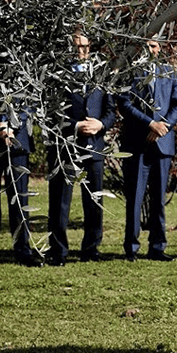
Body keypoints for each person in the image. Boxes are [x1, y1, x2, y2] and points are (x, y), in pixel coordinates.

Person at [45, 32, 117, 265]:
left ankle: (91, 249)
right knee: (60, 202)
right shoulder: (57, 75)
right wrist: (75, 126)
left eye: (84, 47)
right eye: (76, 47)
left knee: (94, 200)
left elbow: (111, 111)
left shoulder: (102, 74)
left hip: (94, 146)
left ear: (90, 47)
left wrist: (100, 124)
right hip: (66, 145)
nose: (81, 51)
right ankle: (58, 251)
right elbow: (49, 112)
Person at [116, 39, 177, 261]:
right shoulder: (130, 72)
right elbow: (124, 104)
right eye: (146, 45)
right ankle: (131, 247)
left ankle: (157, 247)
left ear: (159, 48)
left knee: (158, 199)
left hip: (162, 144)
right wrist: (149, 124)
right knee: (135, 198)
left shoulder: (168, 72)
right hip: (137, 143)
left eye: (154, 46)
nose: (150, 50)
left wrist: (162, 127)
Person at [0, 109, 41, 267]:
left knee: (20, 197)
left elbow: (28, 102)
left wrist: (12, 127)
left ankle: (23, 249)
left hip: (17, 139)